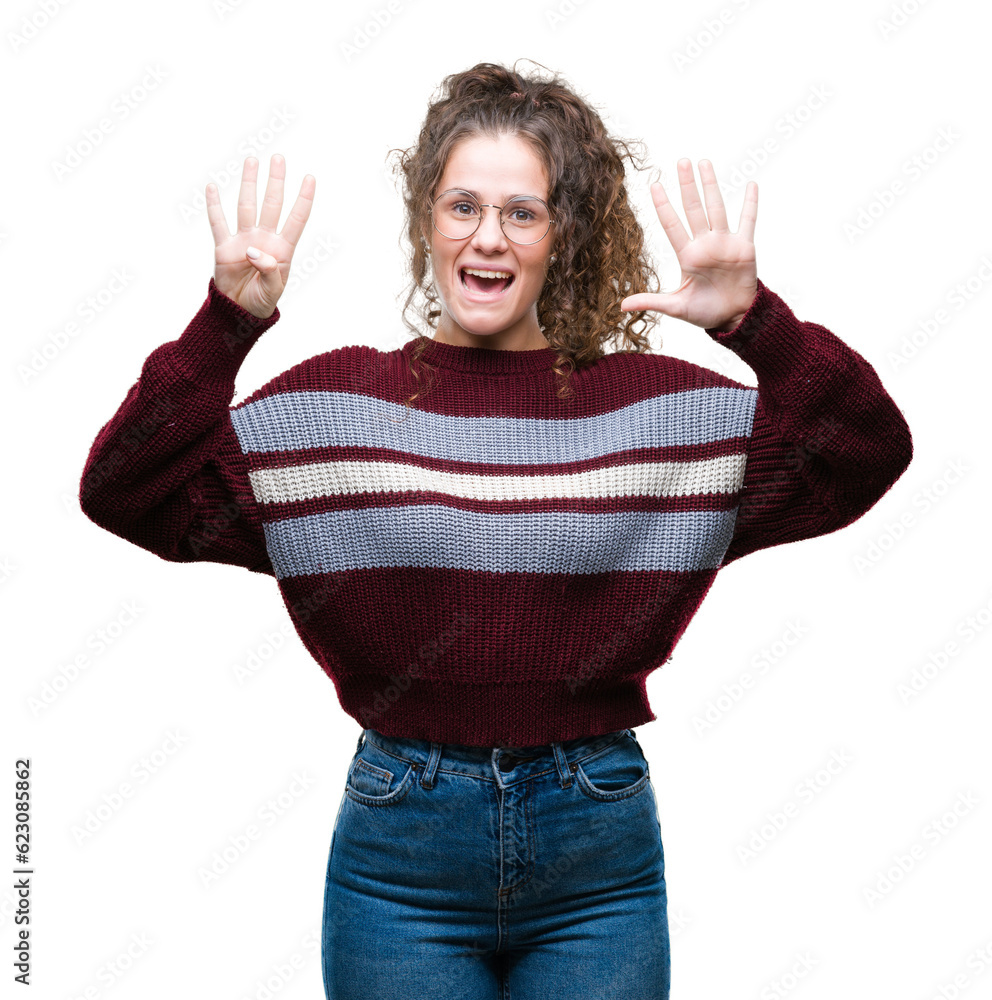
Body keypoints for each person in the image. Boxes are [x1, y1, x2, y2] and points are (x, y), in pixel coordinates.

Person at [78, 59, 913, 1000]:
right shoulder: (332, 409)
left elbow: (866, 453)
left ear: (566, 235)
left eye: (524, 211)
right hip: (401, 857)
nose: (489, 236)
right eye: (462, 205)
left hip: (595, 851)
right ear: (427, 221)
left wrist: (756, 324)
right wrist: (226, 323)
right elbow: (124, 491)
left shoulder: (663, 417)